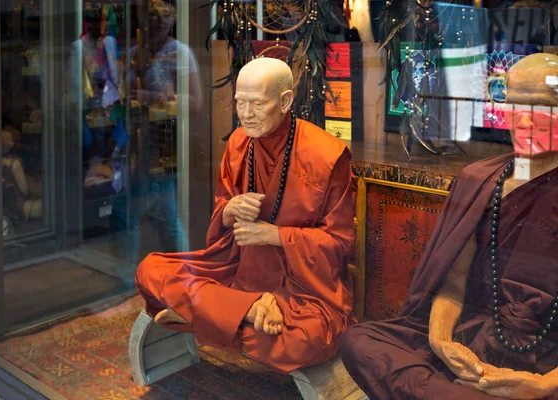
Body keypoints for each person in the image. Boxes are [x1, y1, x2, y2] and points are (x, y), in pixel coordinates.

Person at [339, 53, 558, 400]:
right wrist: (441, 342)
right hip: (474, 341)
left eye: (542, 109)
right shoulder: (481, 180)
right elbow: (453, 283)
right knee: (359, 341)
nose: (525, 121)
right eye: (515, 105)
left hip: (545, 360)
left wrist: (542, 385)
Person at [135, 57, 357, 373]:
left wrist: (275, 235)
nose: (246, 115)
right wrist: (228, 211)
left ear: (285, 101)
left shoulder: (327, 155)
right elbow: (221, 221)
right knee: (150, 269)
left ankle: (204, 315)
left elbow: (340, 245)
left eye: (256, 104)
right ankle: (247, 312)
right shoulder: (239, 142)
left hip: (300, 287)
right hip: (238, 268)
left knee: (306, 340)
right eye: (240, 103)